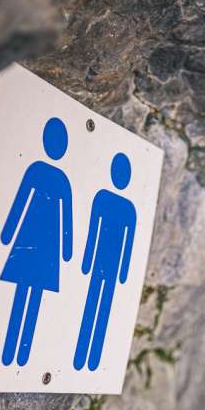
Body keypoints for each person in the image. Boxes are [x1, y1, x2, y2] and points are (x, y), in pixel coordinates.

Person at [0, 117, 74, 366]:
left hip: (37, 238)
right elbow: (23, 201)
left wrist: (9, 233)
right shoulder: (50, 175)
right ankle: (14, 352)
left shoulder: (45, 173)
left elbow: (66, 216)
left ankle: (18, 354)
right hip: (39, 239)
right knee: (27, 293)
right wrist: (67, 249)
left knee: (28, 293)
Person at [73, 152, 137, 371]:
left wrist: (124, 272)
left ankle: (90, 359)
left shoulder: (125, 207)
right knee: (95, 305)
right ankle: (83, 357)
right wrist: (87, 260)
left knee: (100, 307)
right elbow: (94, 233)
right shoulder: (106, 200)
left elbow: (128, 244)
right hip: (104, 262)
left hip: (107, 263)